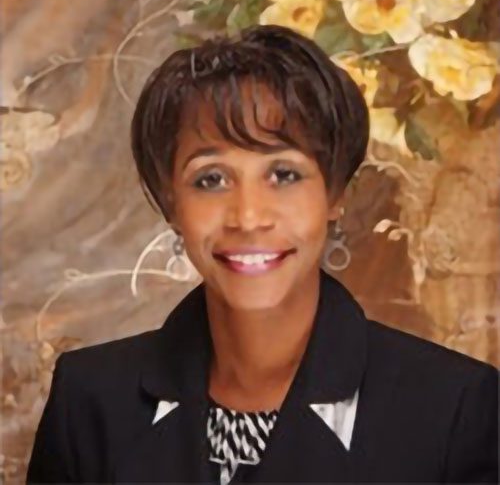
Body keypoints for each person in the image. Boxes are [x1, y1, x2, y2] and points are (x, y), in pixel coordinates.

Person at [27, 24, 498, 484]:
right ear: (172, 205)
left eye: (284, 174)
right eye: (211, 179)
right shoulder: (88, 400)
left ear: (336, 194)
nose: (248, 217)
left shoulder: (454, 409)